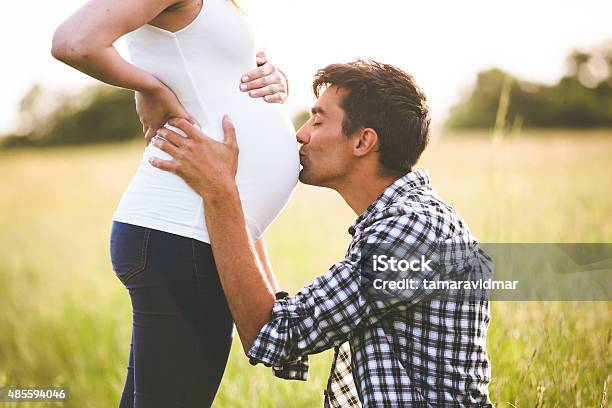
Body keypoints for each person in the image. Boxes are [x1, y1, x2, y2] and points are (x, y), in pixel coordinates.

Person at [150, 59, 494, 407]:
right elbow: (287, 325)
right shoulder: (405, 220)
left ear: (362, 141)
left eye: (317, 119)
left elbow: (275, 336)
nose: (301, 133)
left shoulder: (410, 231)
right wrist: (235, 195)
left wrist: (220, 192)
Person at [51, 0, 299, 406]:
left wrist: (274, 77)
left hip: (193, 233)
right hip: (178, 231)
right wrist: (150, 88)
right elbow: (73, 42)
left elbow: (203, 69)